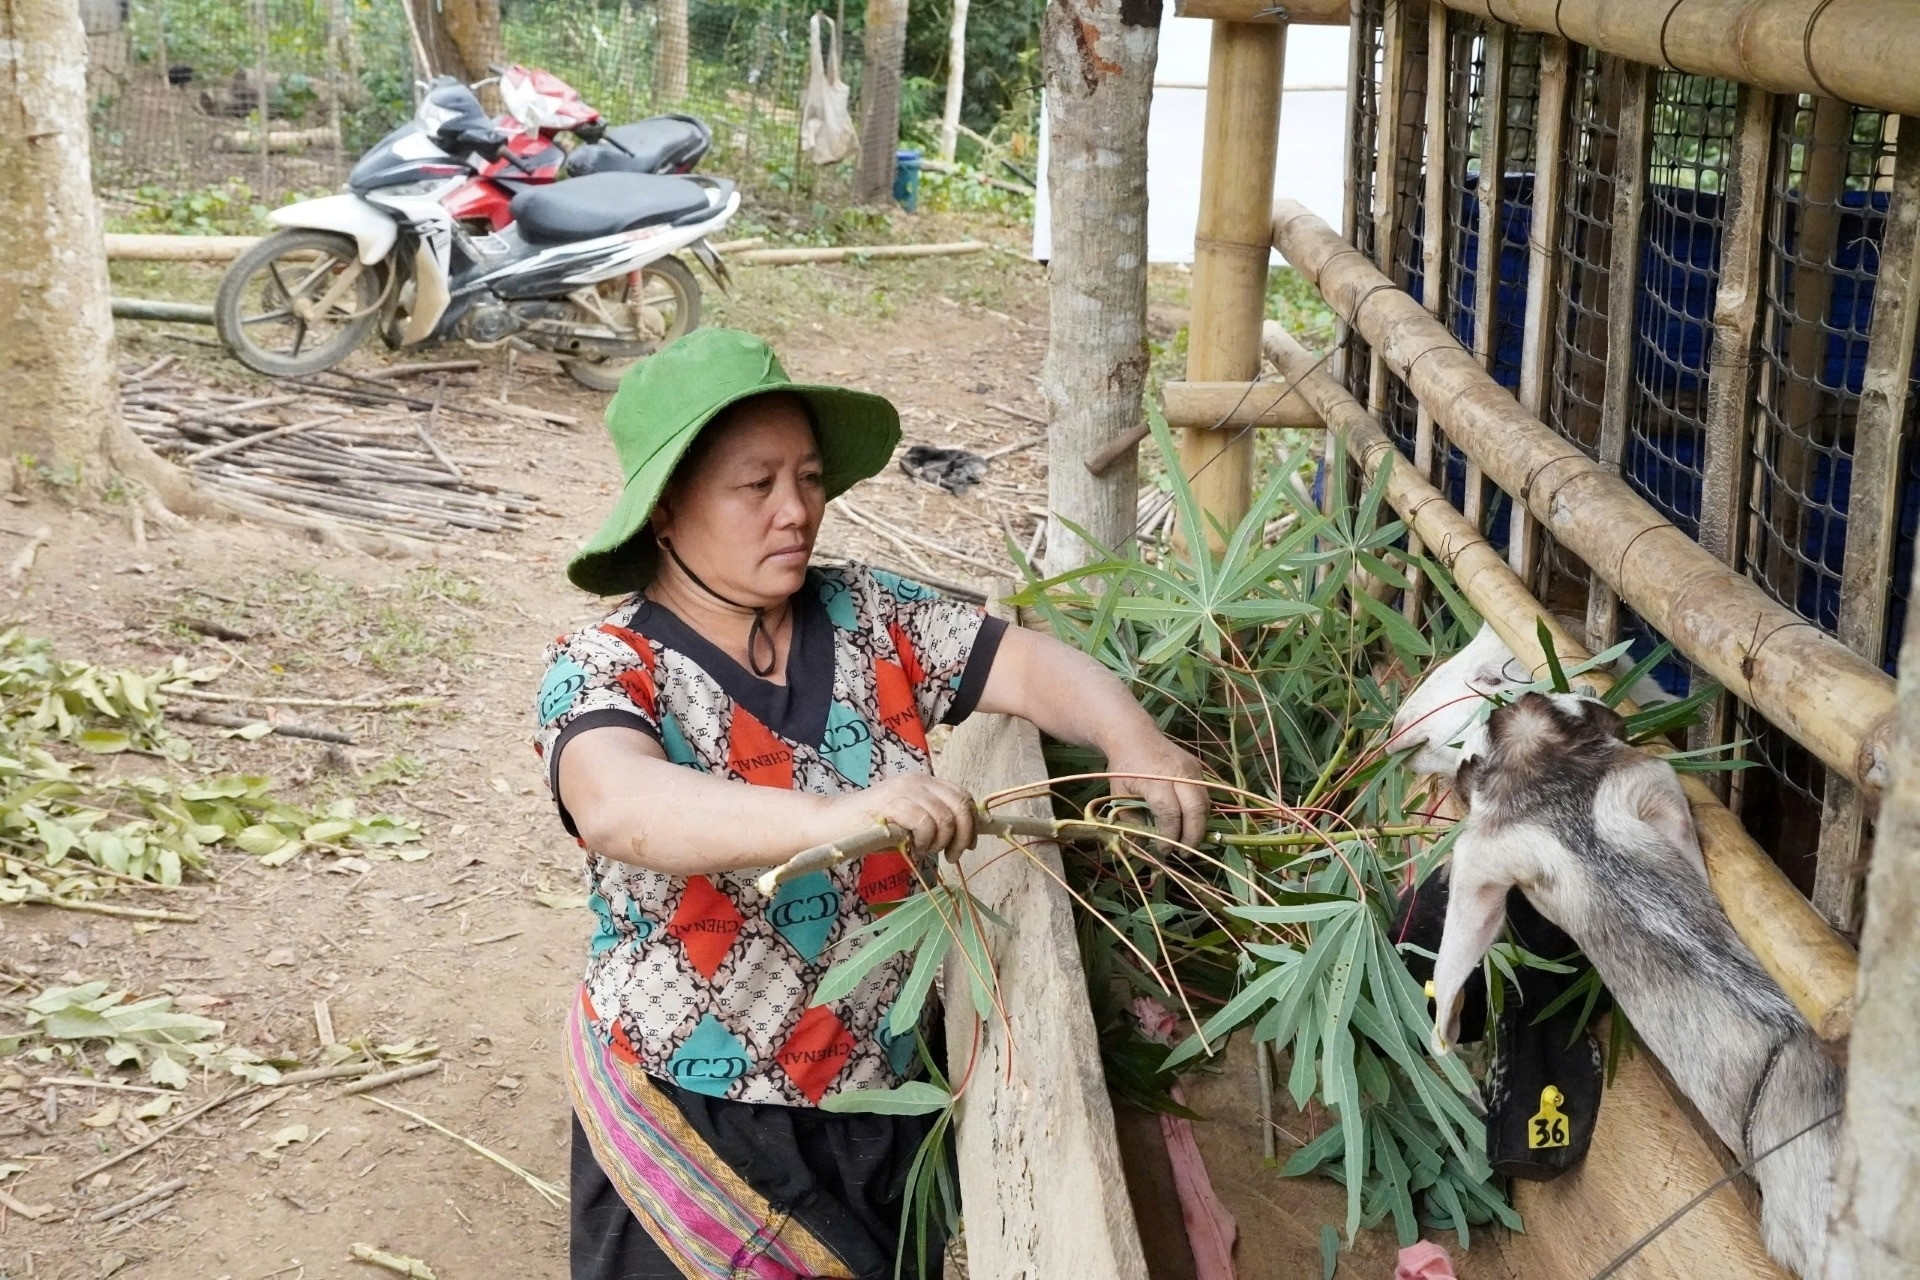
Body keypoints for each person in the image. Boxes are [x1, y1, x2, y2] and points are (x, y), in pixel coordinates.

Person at [534, 328, 1209, 1280]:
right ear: (667, 512)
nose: (796, 511)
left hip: (879, 1095)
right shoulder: (607, 665)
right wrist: (833, 819)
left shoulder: (868, 613)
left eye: (809, 478)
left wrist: (1130, 734)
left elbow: (1025, 664)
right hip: (694, 1107)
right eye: (756, 485)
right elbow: (617, 801)